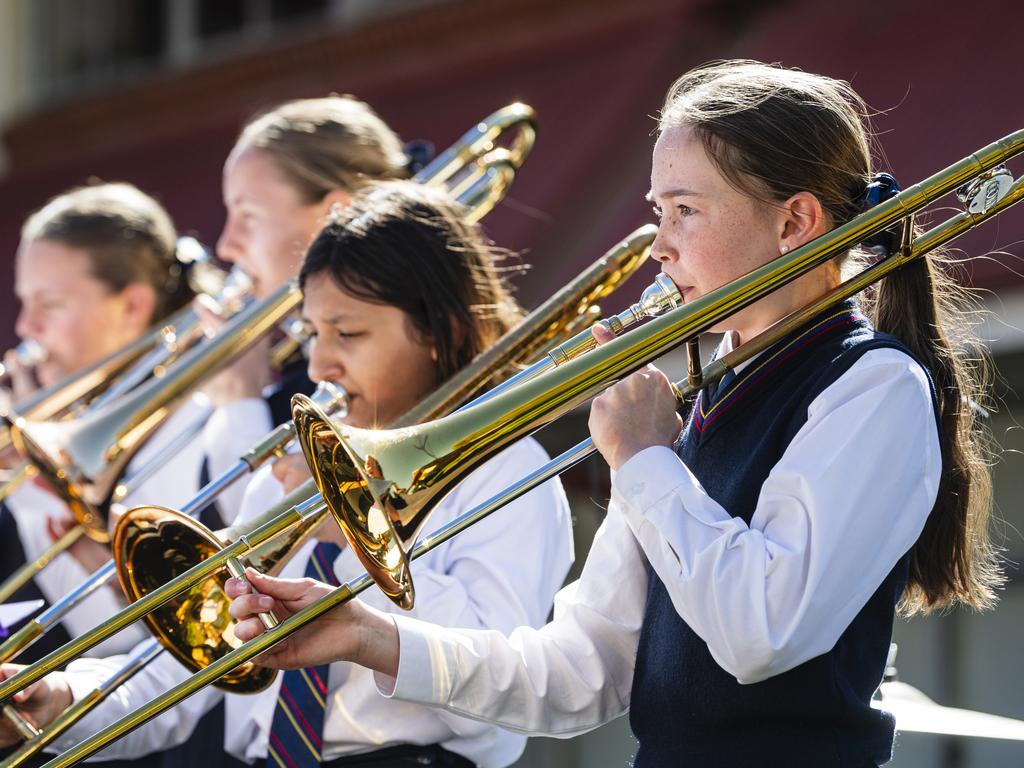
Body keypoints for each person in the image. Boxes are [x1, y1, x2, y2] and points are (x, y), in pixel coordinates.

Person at [225, 60, 1002, 767]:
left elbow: (763, 634)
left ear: (795, 222)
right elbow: (577, 674)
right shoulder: (698, 405)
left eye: (685, 211)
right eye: (657, 210)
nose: (658, 247)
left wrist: (642, 461)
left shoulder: (872, 387)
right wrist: (369, 635)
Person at [0, 182, 574, 768]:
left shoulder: (507, 468)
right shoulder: (286, 476)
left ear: (438, 330)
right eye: (310, 334)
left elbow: (498, 686)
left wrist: (356, 536)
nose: (321, 364)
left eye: (348, 334)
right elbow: (175, 680)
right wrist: (57, 700)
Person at [0, 182, 207, 662]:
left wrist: (42, 481)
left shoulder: (197, 426)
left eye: (49, 304)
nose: (25, 326)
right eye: (24, 301)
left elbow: (136, 653)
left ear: (132, 307)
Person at [196, 95, 410, 528]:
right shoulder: (294, 363)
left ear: (335, 213)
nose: (225, 245)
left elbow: (268, 541)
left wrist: (241, 401)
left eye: (248, 215)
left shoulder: (384, 370)